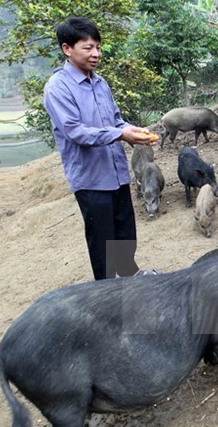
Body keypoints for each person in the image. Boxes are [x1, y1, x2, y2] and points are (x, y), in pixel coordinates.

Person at [44, 17, 157, 280]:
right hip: (91, 178)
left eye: (98, 47)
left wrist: (133, 132)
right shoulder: (58, 88)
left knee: (125, 231)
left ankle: (129, 274)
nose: (96, 54)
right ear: (67, 49)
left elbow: (115, 121)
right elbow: (75, 132)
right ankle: (105, 292)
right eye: (88, 47)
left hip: (115, 172)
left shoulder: (100, 83)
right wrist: (120, 133)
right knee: (102, 239)